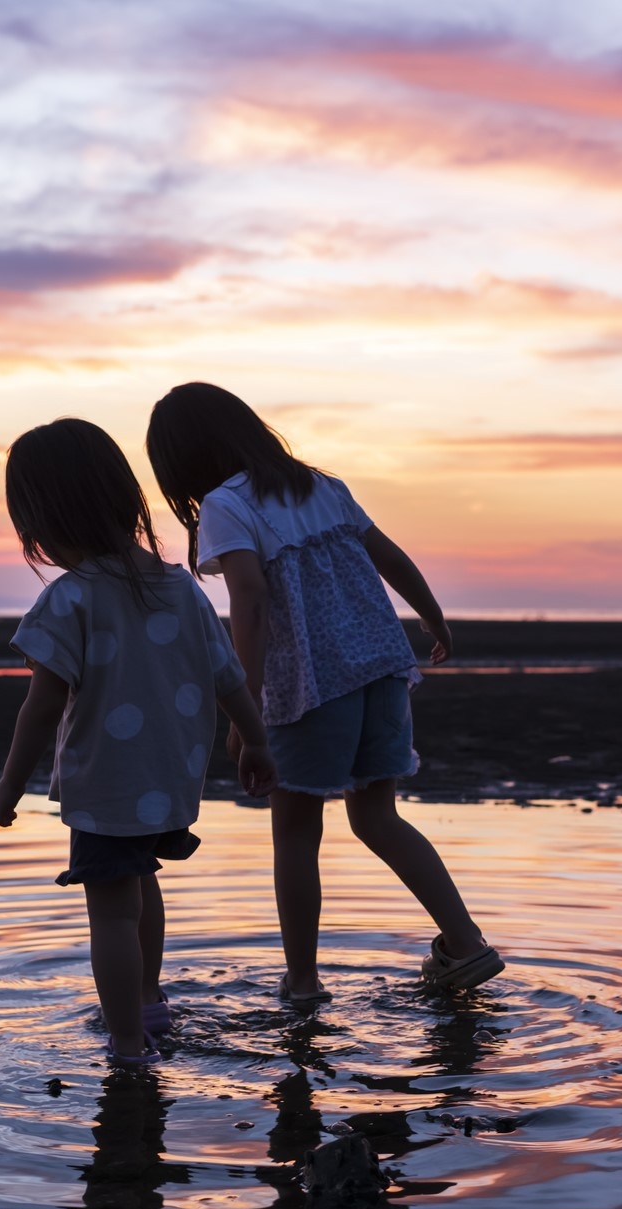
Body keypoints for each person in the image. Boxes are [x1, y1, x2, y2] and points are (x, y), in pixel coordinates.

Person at [145, 382, 503, 1003]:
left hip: (311, 685)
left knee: (294, 834)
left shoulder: (226, 504)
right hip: (382, 669)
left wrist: (245, 701)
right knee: (378, 818)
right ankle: (466, 944)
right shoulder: (320, 485)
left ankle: (304, 982)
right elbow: (387, 553)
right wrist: (432, 616)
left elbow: (250, 601)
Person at [0, 417, 276, 1066]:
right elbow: (228, 675)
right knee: (141, 886)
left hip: (110, 785)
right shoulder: (179, 587)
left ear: (44, 520)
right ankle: (148, 1004)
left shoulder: (70, 602)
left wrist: (11, 781)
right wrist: (255, 743)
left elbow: (42, 707)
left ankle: (126, 1046)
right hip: (169, 779)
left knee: (112, 913)